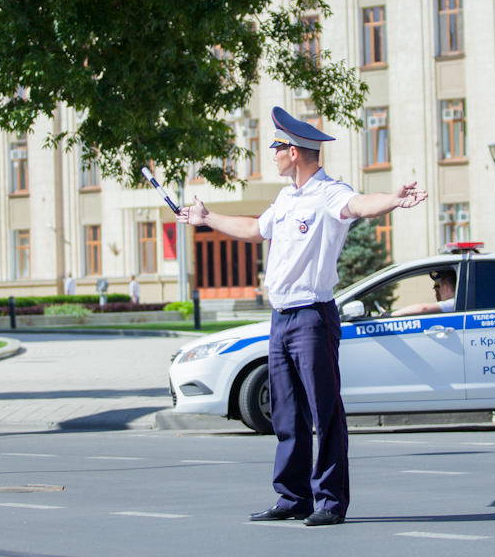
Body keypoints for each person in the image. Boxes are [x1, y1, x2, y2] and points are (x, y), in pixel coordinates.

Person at [180, 106, 428, 527]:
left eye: (277, 146)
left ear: (294, 152)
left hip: (313, 316)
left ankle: (329, 501)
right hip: (282, 319)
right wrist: (207, 218)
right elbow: (255, 229)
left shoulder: (329, 193)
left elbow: (360, 205)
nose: (272, 153)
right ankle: (292, 497)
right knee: (287, 413)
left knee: (324, 411)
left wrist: (394, 199)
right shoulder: (286, 197)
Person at [390, 268, 456, 316]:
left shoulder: (453, 303)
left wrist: (390, 315)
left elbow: (422, 308)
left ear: (445, 288)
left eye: (439, 289)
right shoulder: (456, 304)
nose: (438, 294)